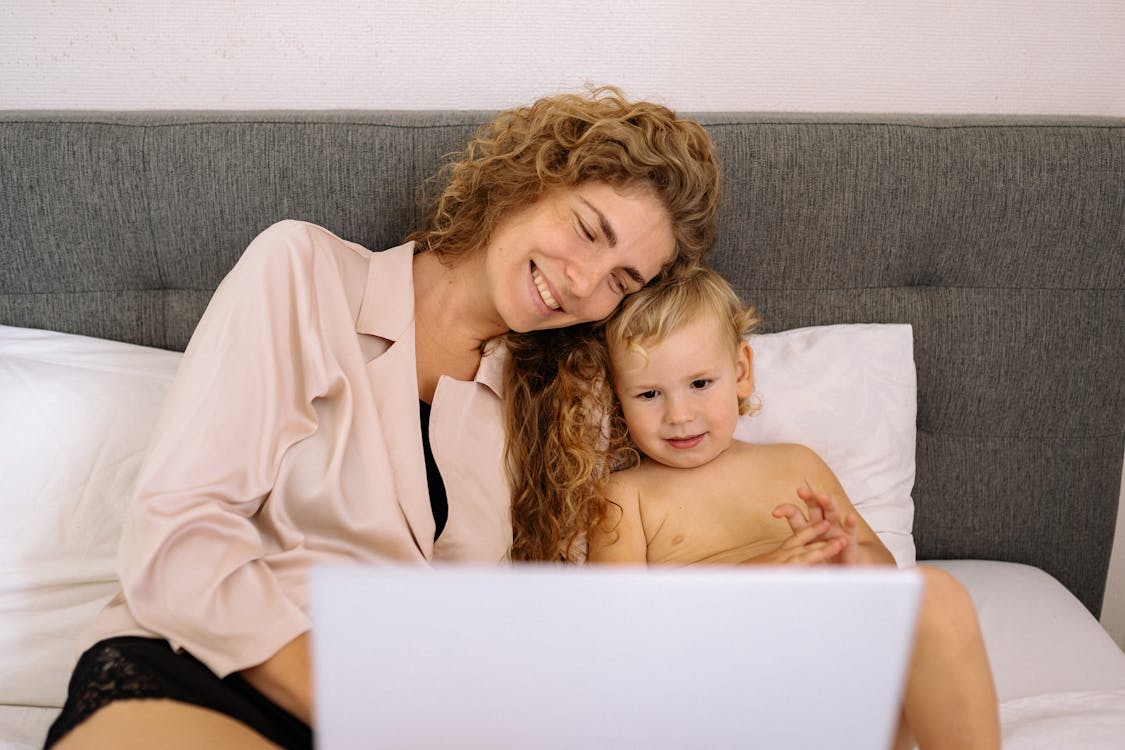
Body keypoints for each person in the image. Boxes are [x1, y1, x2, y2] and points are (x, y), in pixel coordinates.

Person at [45, 87, 721, 750]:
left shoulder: (566, 400)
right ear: (529, 181)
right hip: (204, 663)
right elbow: (181, 530)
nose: (584, 282)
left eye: (622, 279)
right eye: (585, 230)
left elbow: (578, 616)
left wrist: (785, 559)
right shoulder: (307, 272)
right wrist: (356, 704)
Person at [583, 265, 1001, 750]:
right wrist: (753, 578)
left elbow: (885, 571)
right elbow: (617, 631)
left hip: (827, 669)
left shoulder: (793, 464)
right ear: (618, 398)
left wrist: (852, 560)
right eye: (650, 394)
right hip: (721, 681)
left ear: (740, 371)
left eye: (700, 383)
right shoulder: (626, 495)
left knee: (933, 594)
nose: (679, 415)